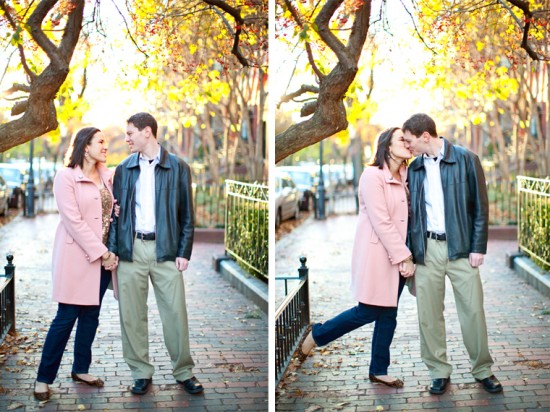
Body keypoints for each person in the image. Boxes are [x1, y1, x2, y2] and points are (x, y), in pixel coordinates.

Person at [300, 127, 415, 387]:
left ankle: (379, 369)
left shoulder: (408, 175)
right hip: (378, 255)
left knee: (389, 315)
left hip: (399, 254)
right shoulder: (371, 176)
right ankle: (318, 334)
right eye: (401, 140)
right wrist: (404, 257)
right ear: (386, 145)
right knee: (368, 311)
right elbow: (381, 221)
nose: (407, 144)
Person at [402, 113, 502, 395]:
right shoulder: (415, 168)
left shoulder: (466, 159)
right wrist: (411, 253)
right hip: (426, 249)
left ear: (425, 136)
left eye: (410, 141)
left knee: (473, 311)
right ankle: (438, 371)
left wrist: (477, 247)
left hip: (460, 248)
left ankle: (483, 370)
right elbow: (410, 215)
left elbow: (481, 207)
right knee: (429, 315)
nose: (408, 147)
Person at [107, 112, 203, 395]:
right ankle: (140, 372)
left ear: (146, 132)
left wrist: (184, 251)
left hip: (166, 250)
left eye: (130, 134)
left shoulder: (177, 167)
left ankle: (184, 372)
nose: (126, 139)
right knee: (132, 316)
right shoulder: (123, 169)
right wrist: (113, 252)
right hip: (131, 250)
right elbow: (116, 217)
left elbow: (187, 214)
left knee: (175, 313)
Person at [34, 127, 117, 401]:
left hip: (103, 260)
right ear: (85, 147)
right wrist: (102, 252)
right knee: (65, 318)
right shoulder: (66, 177)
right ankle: (43, 378)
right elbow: (73, 221)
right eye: (100, 142)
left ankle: (81, 369)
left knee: (91, 317)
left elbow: (110, 213)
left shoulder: (108, 176)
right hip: (77, 258)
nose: (105, 146)